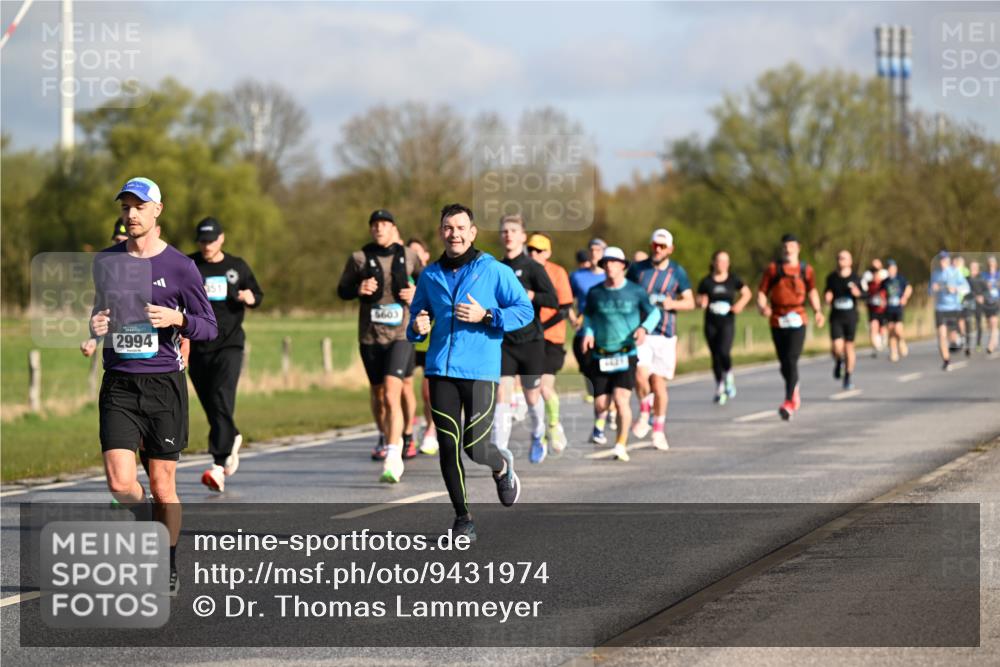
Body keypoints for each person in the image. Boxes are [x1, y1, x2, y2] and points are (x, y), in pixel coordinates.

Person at [91, 177, 218, 595]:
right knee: (119, 483)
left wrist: (177, 319)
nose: (130, 215)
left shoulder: (181, 266)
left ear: (157, 211)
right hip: (120, 384)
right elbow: (101, 311)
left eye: (138, 207)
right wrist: (96, 325)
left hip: (164, 385)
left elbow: (208, 327)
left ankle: (167, 562)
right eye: (125, 207)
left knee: (164, 488)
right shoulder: (107, 261)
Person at [407, 203, 534, 541]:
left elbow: (525, 310)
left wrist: (488, 316)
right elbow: (416, 320)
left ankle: (501, 466)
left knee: (475, 447)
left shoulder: (493, 271)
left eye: (461, 227)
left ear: (473, 232)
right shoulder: (430, 275)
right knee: (448, 445)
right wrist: (418, 327)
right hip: (440, 370)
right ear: (441, 232)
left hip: (480, 370)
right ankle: (463, 518)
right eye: (449, 227)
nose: (455, 234)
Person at [337, 209, 420, 483]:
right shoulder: (359, 258)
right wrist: (358, 289)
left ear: (393, 228)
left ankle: (394, 453)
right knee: (378, 394)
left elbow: (429, 284)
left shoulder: (409, 256)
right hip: (370, 337)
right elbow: (342, 290)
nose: (379, 229)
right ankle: (386, 435)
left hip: (401, 334)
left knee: (392, 393)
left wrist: (417, 293)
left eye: (384, 224)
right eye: (374, 225)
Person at [187, 217, 264, 492]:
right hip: (197, 345)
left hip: (229, 344)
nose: (206, 246)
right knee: (211, 404)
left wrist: (249, 297)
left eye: (211, 240)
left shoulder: (237, 266)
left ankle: (217, 466)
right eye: (202, 241)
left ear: (221, 239)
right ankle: (231, 436)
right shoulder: (189, 265)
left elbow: (258, 294)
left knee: (221, 395)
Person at [581, 247, 660, 461]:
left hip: (626, 353)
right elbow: (588, 316)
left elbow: (654, 312)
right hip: (601, 354)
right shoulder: (596, 292)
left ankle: (620, 444)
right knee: (600, 404)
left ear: (623, 266)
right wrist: (588, 332)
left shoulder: (635, 291)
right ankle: (605, 424)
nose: (609, 266)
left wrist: (644, 328)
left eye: (614, 262)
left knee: (621, 398)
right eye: (605, 263)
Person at [495, 214, 558, 464]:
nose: (508, 234)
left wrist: (531, 294)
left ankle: (538, 432)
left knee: (532, 396)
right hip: (504, 342)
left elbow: (552, 300)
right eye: (504, 231)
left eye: (513, 230)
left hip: (531, 341)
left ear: (523, 236)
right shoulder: (495, 268)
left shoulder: (534, 267)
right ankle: (499, 452)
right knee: (502, 393)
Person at [626, 229, 695, 448]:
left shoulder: (677, 272)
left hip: (665, 333)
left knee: (658, 383)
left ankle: (659, 430)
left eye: (663, 246)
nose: (658, 249)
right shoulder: (638, 269)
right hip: (642, 332)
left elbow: (690, 302)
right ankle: (645, 412)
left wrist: (672, 304)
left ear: (670, 249)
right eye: (655, 245)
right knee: (640, 374)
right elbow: (624, 291)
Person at [756, 233, 824, 420]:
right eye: (785, 246)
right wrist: (763, 307)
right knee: (784, 362)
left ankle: (788, 401)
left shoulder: (806, 270)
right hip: (778, 318)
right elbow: (762, 292)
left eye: (792, 246)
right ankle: (794, 388)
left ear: (798, 248)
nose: (788, 249)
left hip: (798, 317)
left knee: (792, 359)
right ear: (782, 248)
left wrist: (818, 311)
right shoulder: (772, 269)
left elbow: (812, 291)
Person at [527, 232, 573, 456]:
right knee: (531, 391)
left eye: (539, 250)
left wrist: (542, 327)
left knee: (545, 387)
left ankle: (554, 424)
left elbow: (564, 307)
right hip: (526, 339)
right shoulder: (521, 271)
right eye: (531, 249)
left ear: (548, 252)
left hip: (551, 337)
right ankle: (539, 432)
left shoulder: (557, 272)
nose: (534, 254)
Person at [696, 250, 752, 404]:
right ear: (714, 262)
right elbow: (700, 298)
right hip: (711, 322)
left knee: (724, 351)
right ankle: (719, 387)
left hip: (727, 321)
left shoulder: (733, 280)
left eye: (725, 261)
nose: (722, 264)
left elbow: (747, 293)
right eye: (719, 261)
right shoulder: (706, 282)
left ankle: (729, 376)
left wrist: (739, 305)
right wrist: (702, 302)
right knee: (715, 355)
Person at [407, 237, 439, 455]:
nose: (414, 257)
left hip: (429, 343)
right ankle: (407, 432)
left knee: (428, 392)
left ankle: (431, 429)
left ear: (426, 255)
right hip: (408, 341)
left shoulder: (432, 277)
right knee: (404, 390)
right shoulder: (404, 276)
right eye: (410, 253)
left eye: (418, 253)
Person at [570, 239, 606, 414]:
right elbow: (566, 300)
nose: (594, 253)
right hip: (584, 330)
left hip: (606, 331)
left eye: (598, 250)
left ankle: (608, 408)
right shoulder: (577, 276)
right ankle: (601, 401)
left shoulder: (610, 275)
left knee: (605, 372)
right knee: (588, 368)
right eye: (592, 250)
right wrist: (572, 318)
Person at [824, 250, 863, 390]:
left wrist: (857, 293)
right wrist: (827, 296)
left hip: (851, 317)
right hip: (836, 317)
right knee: (836, 347)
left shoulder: (856, 278)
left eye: (844, 258)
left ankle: (847, 376)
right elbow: (827, 291)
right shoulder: (831, 278)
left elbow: (864, 294)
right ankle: (839, 361)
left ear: (850, 262)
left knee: (849, 347)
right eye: (839, 258)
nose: (841, 260)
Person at [930, 251, 966, 371]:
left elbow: (966, 288)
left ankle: (958, 339)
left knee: (952, 336)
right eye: (940, 260)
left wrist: (955, 289)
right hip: (940, 308)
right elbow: (929, 291)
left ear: (948, 261)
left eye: (944, 260)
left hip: (953, 308)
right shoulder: (935, 274)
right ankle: (946, 360)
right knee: (941, 334)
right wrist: (933, 289)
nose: (942, 262)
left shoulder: (955, 272)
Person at [882, 259, 913, 362]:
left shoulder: (900, 278)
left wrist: (904, 297)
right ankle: (893, 352)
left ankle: (902, 341)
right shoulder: (885, 281)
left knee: (898, 329)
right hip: (889, 309)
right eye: (889, 268)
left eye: (892, 268)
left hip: (898, 308)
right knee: (891, 330)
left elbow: (909, 288)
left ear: (896, 268)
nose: (891, 270)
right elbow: (881, 294)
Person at [861, 258, 887, 357]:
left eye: (877, 269)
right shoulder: (867, 278)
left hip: (883, 308)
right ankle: (875, 347)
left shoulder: (885, 277)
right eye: (873, 269)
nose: (875, 271)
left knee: (882, 328)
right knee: (873, 326)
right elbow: (864, 290)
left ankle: (882, 340)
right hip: (872, 308)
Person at [980, 256, 1000, 356]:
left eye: (992, 264)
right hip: (987, 301)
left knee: (993, 321)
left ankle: (991, 345)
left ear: (995, 265)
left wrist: (996, 284)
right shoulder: (984, 275)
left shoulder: (998, 274)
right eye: (989, 264)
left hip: (996, 301)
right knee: (989, 323)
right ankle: (994, 338)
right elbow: (980, 286)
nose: (991, 266)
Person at [967, 260, 987, 354]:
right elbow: (964, 291)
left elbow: (986, 291)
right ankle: (968, 344)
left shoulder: (981, 279)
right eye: (971, 267)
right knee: (968, 323)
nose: (973, 269)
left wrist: (983, 297)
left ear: (978, 269)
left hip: (979, 305)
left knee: (979, 324)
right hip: (968, 304)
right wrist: (975, 296)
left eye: (975, 267)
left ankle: (978, 343)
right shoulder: (966, 279)